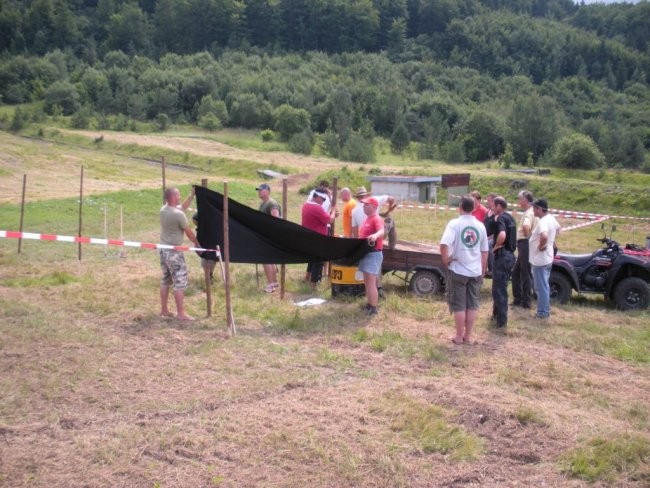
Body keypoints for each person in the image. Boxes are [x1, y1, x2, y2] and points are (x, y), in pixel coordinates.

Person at [440, 195, 488, 344]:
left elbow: (443, 244)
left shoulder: (454, 224)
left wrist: (445, 259)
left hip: (458, 270)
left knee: (459, 304)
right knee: (472, 304)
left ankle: (459, 336)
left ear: (460, 206)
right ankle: (468, 336)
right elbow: (484, 251)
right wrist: (483, 269)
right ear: (474, 208)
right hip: (475, 271)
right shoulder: (480, 226)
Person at [159, 186, 200, 321]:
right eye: (178, 195)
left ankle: (164, 310)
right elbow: (188, 232)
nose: (180, 197)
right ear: (173, 198)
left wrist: (191, 195)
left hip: (163, 251)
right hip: (174, 253)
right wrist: (197, 243)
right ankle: (181, 314)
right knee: (179, 283)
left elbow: (181, 207)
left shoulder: (164, 209)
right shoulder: (178, 215)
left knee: (166, 280)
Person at [529, 198, 561, 319]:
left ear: (540, 209)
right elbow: (558, 228)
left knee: (540, 287)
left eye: (535, 208)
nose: (533, 210)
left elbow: (544, 235)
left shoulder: (543, 222)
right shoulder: (551, 218)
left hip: (540, 260)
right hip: (547, 258)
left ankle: (542, 312)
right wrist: (551, 242)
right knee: (544, 286)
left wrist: (542, 245)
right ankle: (545, 310)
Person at [301, 187, 336, 288]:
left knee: (312, 260)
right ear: (317, 197)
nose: (324, 202)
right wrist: (333, 211)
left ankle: (307, 278)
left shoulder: (306, 205)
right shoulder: (316, 208)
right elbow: (329, 220)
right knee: (318, 262)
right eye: (323, 199)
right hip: (318, 238)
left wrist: (329, 210)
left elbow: (324, 216)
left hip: (310, 237)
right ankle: (313, 285)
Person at [490, 196, 517, 328]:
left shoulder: (501, 218)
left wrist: (495, 247)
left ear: (499, 206)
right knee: (501, 286)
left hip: (502, 256)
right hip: (510, 256)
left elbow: (502, 235)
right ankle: (496, 315)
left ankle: (501, 321)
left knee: (499, 289)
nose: (492, 208)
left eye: (494, 206)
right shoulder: (510, 217)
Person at [357, 197, 385, 315]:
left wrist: (375, 235)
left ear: (374, 206)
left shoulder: (376, 219)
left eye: (366, 205)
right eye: (363, 205)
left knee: (371, 281)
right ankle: (369, 304)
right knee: (367, 281)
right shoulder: (367, 219)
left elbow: (382, 231)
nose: (364, 206)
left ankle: (373, 308)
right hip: (366, 253)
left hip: (373, 254)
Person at [511, 190, 536, 309]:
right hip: (525, 244)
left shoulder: (528, 213)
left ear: (525, 200)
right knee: (516, 272)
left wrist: (527, 237)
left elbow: (526, 226)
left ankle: (526, 302)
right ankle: (519, 298)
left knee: (525, 273)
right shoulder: (532, 211)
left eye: (519, 199)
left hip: (525, 244)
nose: (518, 202)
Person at [256, 183, 282, 293]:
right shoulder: (263, 204)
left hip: (269, 236)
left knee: (266, 259)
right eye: (258, 190)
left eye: (261, 190)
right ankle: (274, 283)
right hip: (264, 235)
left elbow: (276, 220)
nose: (259, 192)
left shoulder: (272, 203)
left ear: (267, 191)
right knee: (269, 260)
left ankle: (271, 284)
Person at [483, 192, 498, 275]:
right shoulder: (487, 212)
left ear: (493, 202)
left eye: (489, 200)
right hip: (485, 236)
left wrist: (488, 238)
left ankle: (491, 268)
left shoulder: (496, 214)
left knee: (488, 244)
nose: (487, 202)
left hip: (493, 237)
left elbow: (497, 230)